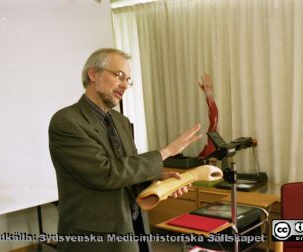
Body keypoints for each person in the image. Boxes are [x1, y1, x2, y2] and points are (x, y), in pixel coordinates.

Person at [48, 48, 202, 252]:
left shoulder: (121, 121)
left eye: (128, 80)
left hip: (134, 228)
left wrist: (158, 179)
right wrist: (165, 152)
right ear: (93, 74)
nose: (124, 85)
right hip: (94, 240)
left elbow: (128, 172)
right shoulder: (67, 122)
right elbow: (105, 173)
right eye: (119, 75)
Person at [198, 73, 218, 159]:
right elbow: (209, 102)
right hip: (213, 112)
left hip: (214, 111)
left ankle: (211, 150)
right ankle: (210, 151)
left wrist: (206, 86)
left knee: (213, 129)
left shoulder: (209, 93)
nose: (210, 86)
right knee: (212, 129)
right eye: (207, 85)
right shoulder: (208, 96)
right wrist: (204, 87)